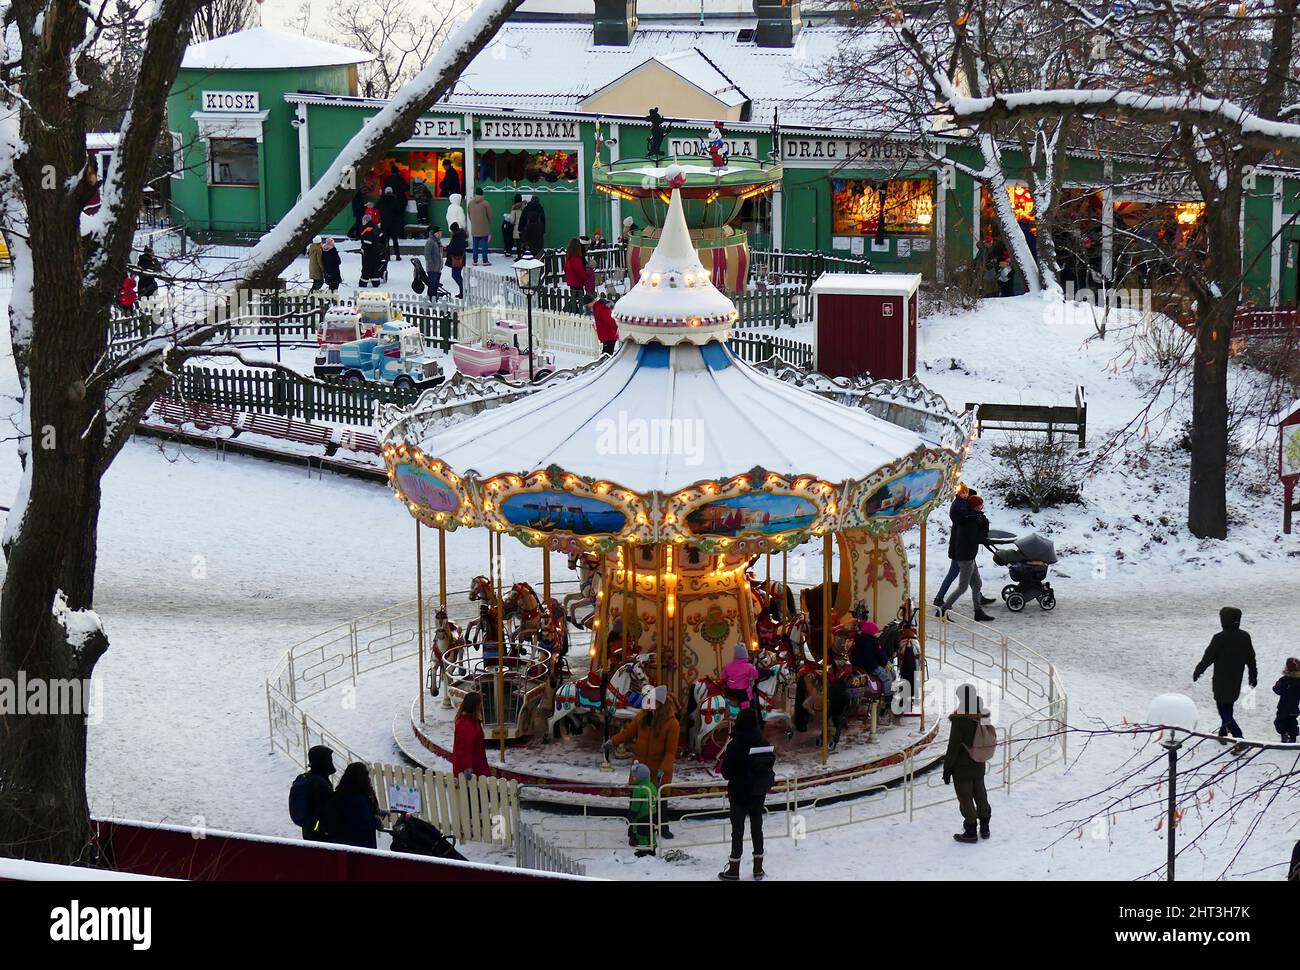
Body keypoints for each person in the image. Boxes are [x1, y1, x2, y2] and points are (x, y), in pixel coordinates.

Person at [606, 685, 679, 838]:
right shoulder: (642, 717)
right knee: (637, 799)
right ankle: (633, 828)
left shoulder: (672, 724)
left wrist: (662, 770)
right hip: (640, 769)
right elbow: (627, 733)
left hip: (660, 769)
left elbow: (670, 752)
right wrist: (612, 742)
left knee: (660, 800)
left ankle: (663, 827)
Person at [718, 707, 775, 881]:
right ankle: (758, 868)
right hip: (758, 792)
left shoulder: (736, 744)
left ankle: (734, 869)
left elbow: (726, 772)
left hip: (739, 793)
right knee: (757, 828)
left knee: (738, 830)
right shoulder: (764, 742)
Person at [1193, 607, 1258, 743]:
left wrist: (1198, 671)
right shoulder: (1244, 637)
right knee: (1228, 706)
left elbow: (1208, 657)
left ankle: (1239, 738)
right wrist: (1253, 676)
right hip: (1236, 680)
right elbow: (1251, 658)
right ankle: (1223, 732)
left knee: (1223, 709)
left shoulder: (1219, 638)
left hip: (1221, 681)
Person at [943, 684, 993, 843]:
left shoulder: (960, 720)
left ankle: (971, 830)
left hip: (962, 767)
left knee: (965, 798)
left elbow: (953, 747)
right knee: (980, 793)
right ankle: (985, 827)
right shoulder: (982, 714)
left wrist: (947, 770)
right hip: (979, 762)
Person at [935, 484, 995, 612]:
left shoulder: (964, 510)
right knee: (955, 575)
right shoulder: (963, 514)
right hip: (961, 550)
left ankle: (978, 598)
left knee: (971, 576)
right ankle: (940, 599)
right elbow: (971, 532)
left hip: (964, 549)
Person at [326, 762, 384, 850]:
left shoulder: (338, 795)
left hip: (340, 845)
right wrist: (377, 822)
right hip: (361, 847)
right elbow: (365, 821)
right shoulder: (359, 799)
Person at [291, 744, 336, 842]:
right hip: (321, 833)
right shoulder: (319, 783)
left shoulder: (308, 778)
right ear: (322, 761)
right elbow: (325, 809)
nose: (331, 762)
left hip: (310, 830)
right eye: (329, 759)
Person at [451, 691, 491, 779]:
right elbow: (464, 748)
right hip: (472, 768)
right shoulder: (466, 724)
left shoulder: (472, 721)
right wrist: (467, 767)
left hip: (477, 763)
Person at [850, 619, 894, 698]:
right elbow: (880, 655)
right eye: (875, 632)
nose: (876, 634)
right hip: (870, 666)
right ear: (871, 632)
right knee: (887, 677)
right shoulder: (873, 642)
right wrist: (885, 663)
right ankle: (888, 696)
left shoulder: (858, 639)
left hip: (858, 665)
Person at [722, 643, 761, 711]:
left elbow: (723, 678)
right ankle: (746, 713)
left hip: (730, 691)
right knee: (749, 701)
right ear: (745, 655)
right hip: (742, 692)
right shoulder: (749, 666)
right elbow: (756, 676)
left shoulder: (727, 666)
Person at [1271, 657, 1300, 744]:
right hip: (1294, 707)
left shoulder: (1284, 680)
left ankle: (1284, 735)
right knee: (1292, 721)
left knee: (1280, 721)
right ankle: (1292, 737)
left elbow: (1277, 690)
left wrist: (1277, 686)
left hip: (1283, 706)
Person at [378, 186, 405, 261]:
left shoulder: (382, 200)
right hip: (393, 223)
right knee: (395, 240)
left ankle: (387, 255)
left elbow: (376, 207)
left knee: (385, 240)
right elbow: (399, 210)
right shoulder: (395, 200)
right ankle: (397, 255)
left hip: (384, 223)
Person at [468, 188, 493, 266]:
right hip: (484, 227)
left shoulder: (470, 203)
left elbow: (469, 215)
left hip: (474, 227)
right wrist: (488, 221)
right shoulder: (485, 203)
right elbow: (490, 215)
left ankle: (475, 261)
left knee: (475, 245)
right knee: (484, 244)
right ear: (482, 194)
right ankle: (485, 261)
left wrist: (473, 222)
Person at [358, 213, 384, 287]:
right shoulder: (375, 226)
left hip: (369, 251)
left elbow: (367, 241)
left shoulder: (368, 229)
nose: (362, 222)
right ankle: (376, 282)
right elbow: (380, 235)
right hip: (376, 250)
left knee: (366, 267)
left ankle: (363, 283)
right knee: (374, 267)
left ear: (366, 221)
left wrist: (363, 248)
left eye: (363, 220)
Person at [446, 222, 468, 299]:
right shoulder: (460, 235)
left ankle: (464, 291)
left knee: (456, 275)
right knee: (457, 275)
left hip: (457, 260)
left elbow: (455, 248)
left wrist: (448, 249)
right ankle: (462, 291)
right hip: (460, 259)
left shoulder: (457, 237)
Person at [424, 226, 445, 295]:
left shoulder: (438, 242)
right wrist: (432, 264)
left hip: (438, 268)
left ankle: (434, 298)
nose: (440, 234)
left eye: (440, 233)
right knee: (432, 286)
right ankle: (430, 299)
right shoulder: (430, 242)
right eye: (438, 233)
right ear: (434, 234)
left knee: (435, 286)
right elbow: (427, 255)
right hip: (432, 269)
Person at [502, 192, 523, 256]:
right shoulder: (524, 207)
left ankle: (517, 255)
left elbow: (512, 221)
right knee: (524, 241)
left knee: (518, 242)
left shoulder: (514, 208)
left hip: (517, 227)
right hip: (524, 227)